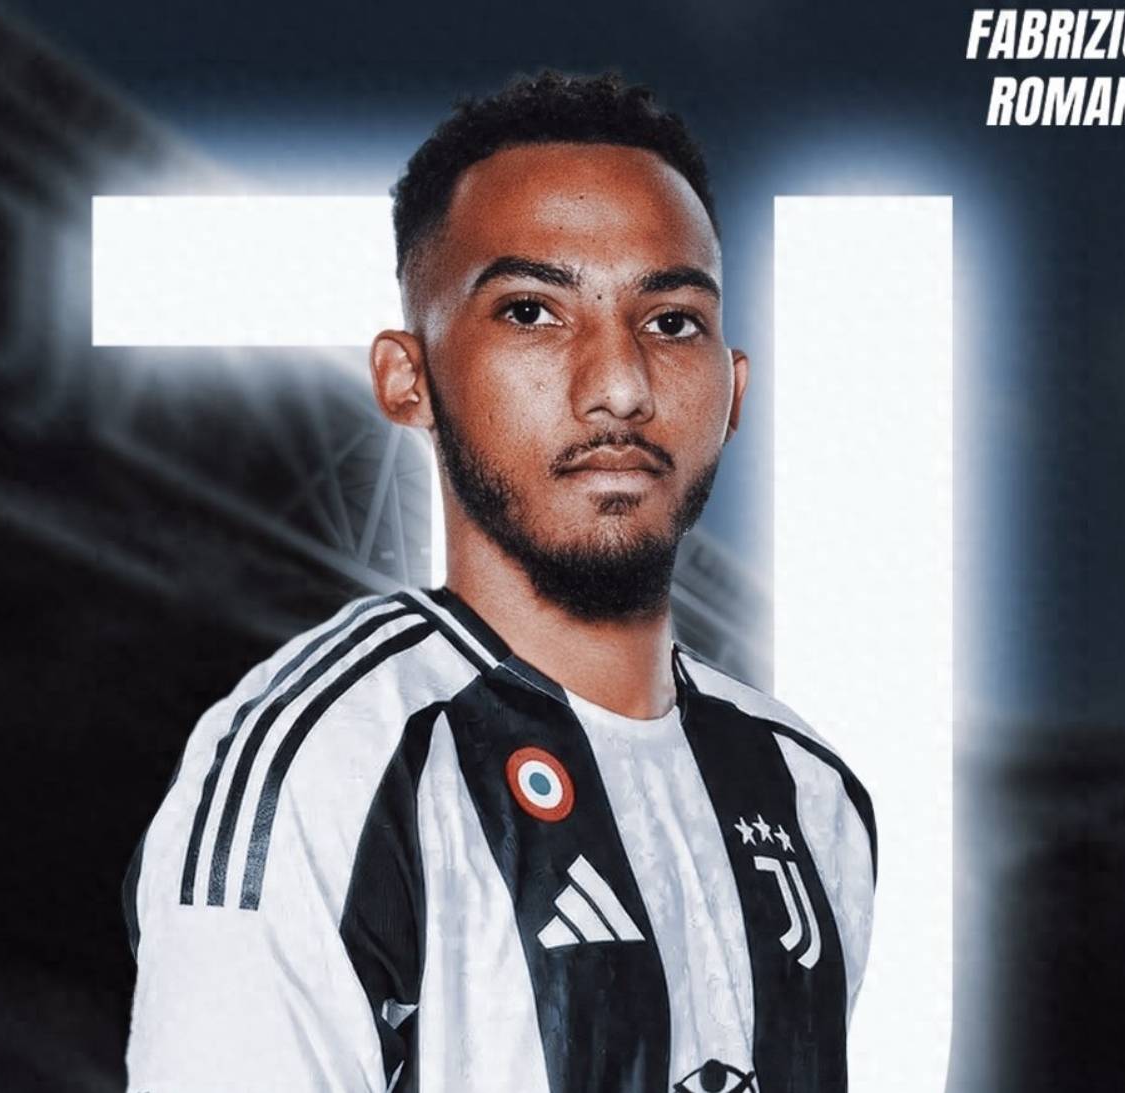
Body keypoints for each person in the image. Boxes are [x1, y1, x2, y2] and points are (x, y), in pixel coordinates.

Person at [123, 70, 876, 1093]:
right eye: (532, 311)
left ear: (732, 388)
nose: (619, 386)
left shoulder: (808, 790)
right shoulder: (323, 768)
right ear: (408, 378)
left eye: (670, 321)